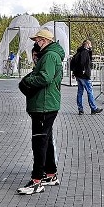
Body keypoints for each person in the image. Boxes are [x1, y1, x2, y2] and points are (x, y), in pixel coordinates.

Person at [16, 28, 64, 195]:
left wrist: (27, 80)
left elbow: (45, 77)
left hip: (44, 104)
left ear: (44, 40)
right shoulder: (51, 55)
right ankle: (50, 174)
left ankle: (37, 180)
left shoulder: (50, 56)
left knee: (39, 142)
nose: (36, 43)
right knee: (46, 140)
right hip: (46, 103)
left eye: (37, 40)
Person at [71, 39, 102, 115]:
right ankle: (93, 108)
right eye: (90, 45)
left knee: (80, 92)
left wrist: (74, 72)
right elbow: (84, 62)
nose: (91, 46)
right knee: (90, 91)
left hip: (78, 75)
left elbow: (73, 62)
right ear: (87, 45)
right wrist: (84, 71)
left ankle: (80, 109)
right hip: (84, 75)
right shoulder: (85, 52)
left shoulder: (78, 52)